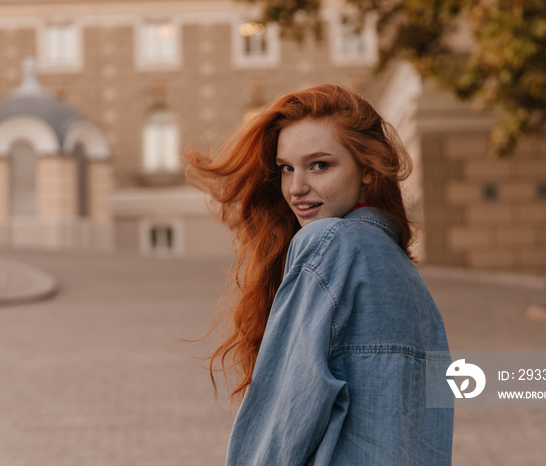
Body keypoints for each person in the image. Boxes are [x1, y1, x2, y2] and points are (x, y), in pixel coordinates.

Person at [185, 84, 453, 465]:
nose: (296, 188)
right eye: (286, 169)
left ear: (366, 168)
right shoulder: (409, 283)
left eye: (320, 165)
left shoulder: (330, 245)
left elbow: (284, 421)